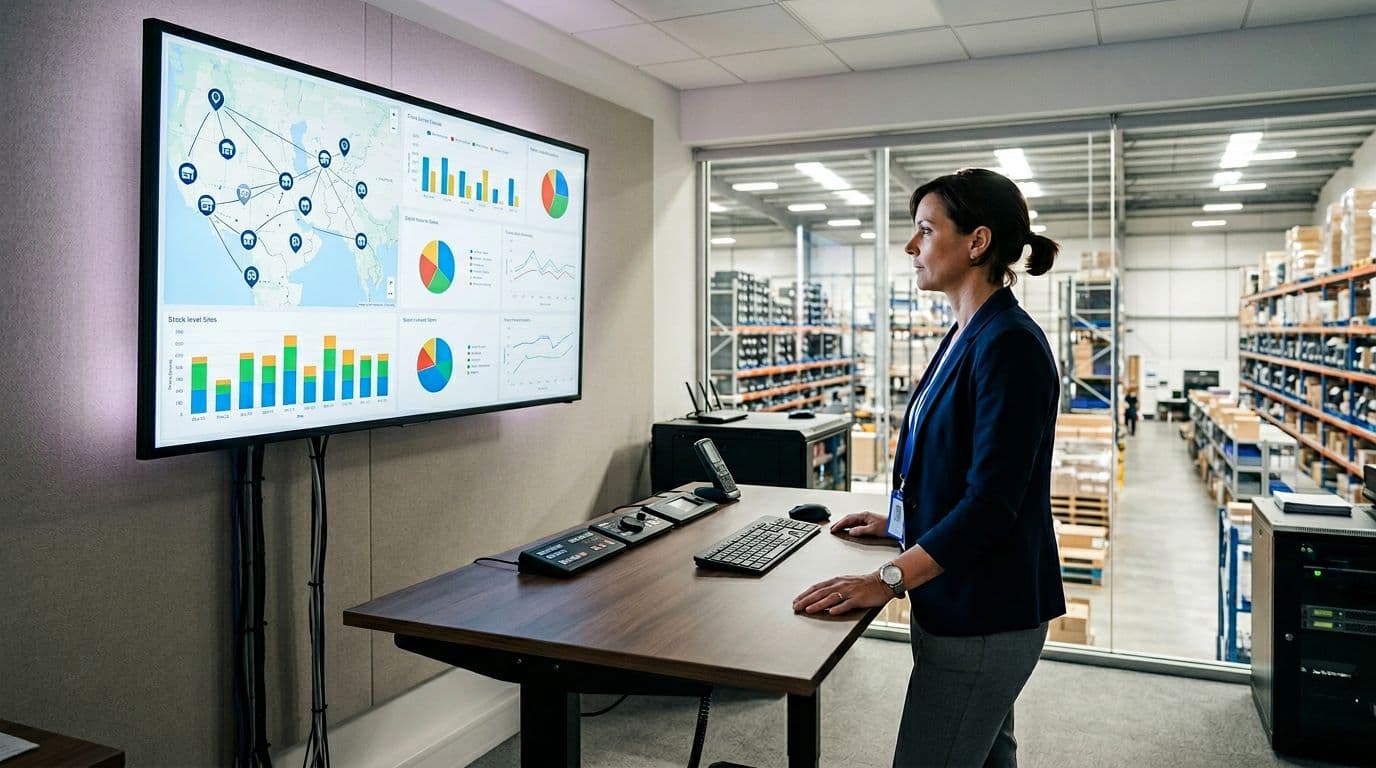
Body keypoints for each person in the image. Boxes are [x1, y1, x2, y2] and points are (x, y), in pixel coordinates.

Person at [793, 168, 1066, 767]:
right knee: (986, 755)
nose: (910, 247)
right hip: (958, 595)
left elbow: (993, 503)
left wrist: (886, 578)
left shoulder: (1009, 345)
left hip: (987, 610)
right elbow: (948, 461)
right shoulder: (964, 333)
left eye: (924, 230)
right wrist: (901, 523)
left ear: (977, 242)